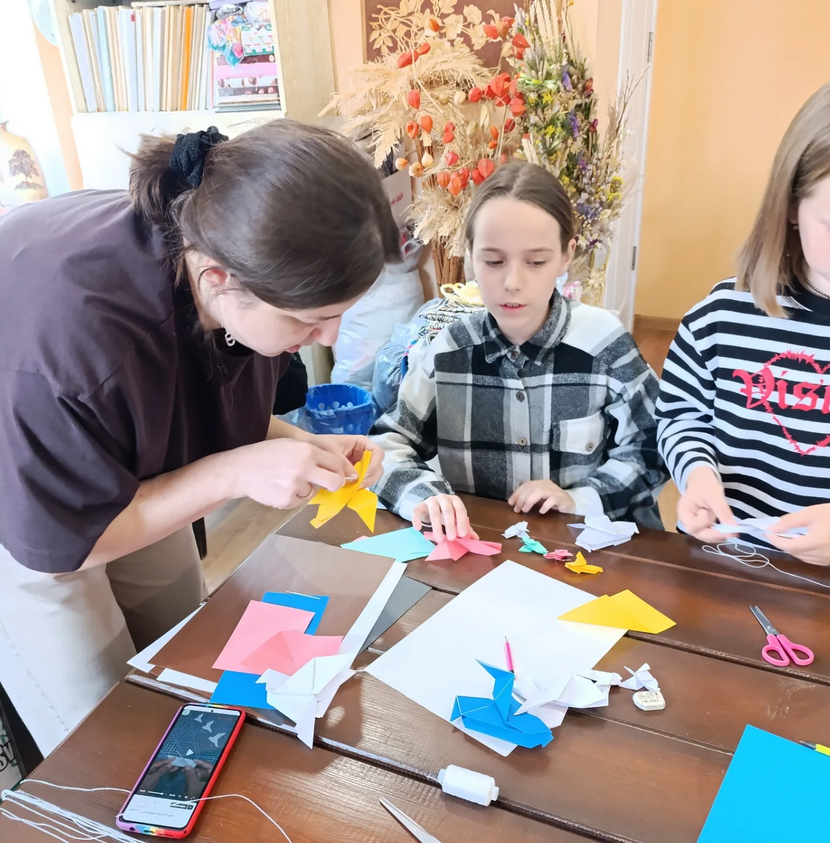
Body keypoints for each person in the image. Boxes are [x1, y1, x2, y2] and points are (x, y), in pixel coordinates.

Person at [0, 121, 399, 754]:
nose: (328, 338)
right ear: (218, 280)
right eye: (312, 319)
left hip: (106, 449)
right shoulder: (85, 346)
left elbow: (202, 404)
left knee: (191, 651)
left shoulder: (246, 262)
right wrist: (236, 473)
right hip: (34, 494)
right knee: (107, 737)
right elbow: (69, 542)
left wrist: (296, 444)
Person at [371, 162, 667, 540]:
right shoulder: (448, 350)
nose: (512, 282)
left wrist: (581, 499)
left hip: (581, 550)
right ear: (469, 256)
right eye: (493, 261)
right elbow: (386, 444)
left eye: (536, 262)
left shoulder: (604, 342)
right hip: (480, 549)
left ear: (566, 255)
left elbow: (652, 448)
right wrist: (423, 495)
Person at [655, 83, 830, 566]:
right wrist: (696, 474)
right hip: (727, 563)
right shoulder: (721, 316)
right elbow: (680, 416)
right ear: (791, 207)